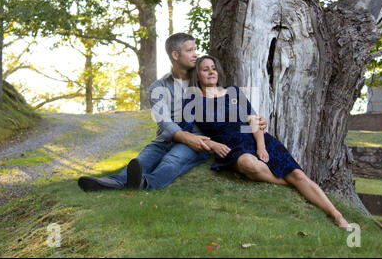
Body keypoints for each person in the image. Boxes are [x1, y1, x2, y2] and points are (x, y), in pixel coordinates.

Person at [177, 55, 352, 230]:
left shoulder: (234, 92)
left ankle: (337, 216)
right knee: (249, 164)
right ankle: (294, 186)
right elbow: (185, 132)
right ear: (197, 76)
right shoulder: (193, 100)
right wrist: (213, 145)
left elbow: (254, 120)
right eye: (205, 69)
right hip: (231, 147)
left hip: (255, 139)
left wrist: (261, 146)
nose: (211, 72)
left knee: (298, 175)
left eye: (213, 68)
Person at [77, 33, 269, 192]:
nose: (195, 54)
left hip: (198, 140)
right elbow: (164, 122)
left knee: (173, 160)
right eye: (190, 50)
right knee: (141, 160)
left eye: (195, 50)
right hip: (166, 138)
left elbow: (228, 108)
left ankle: (146, 183)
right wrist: (184, 137)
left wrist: (255, 122)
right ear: (176, 55)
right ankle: (111, 182)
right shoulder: (159, 87)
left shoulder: (203, 80)